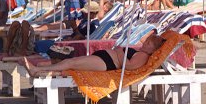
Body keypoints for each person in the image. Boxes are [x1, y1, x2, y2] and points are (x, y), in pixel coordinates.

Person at [22, 33, 165, 76]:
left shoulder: (144, 56)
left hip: (108, 62)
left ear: (153, 49)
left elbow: (129, 67)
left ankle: (37, 70)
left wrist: (121, 53)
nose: (145, 43)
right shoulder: (142, 52)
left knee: (73, 63)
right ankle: (41, 70)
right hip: (105, 58)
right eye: (147, 41)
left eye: (149, 44)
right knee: (73, 63)